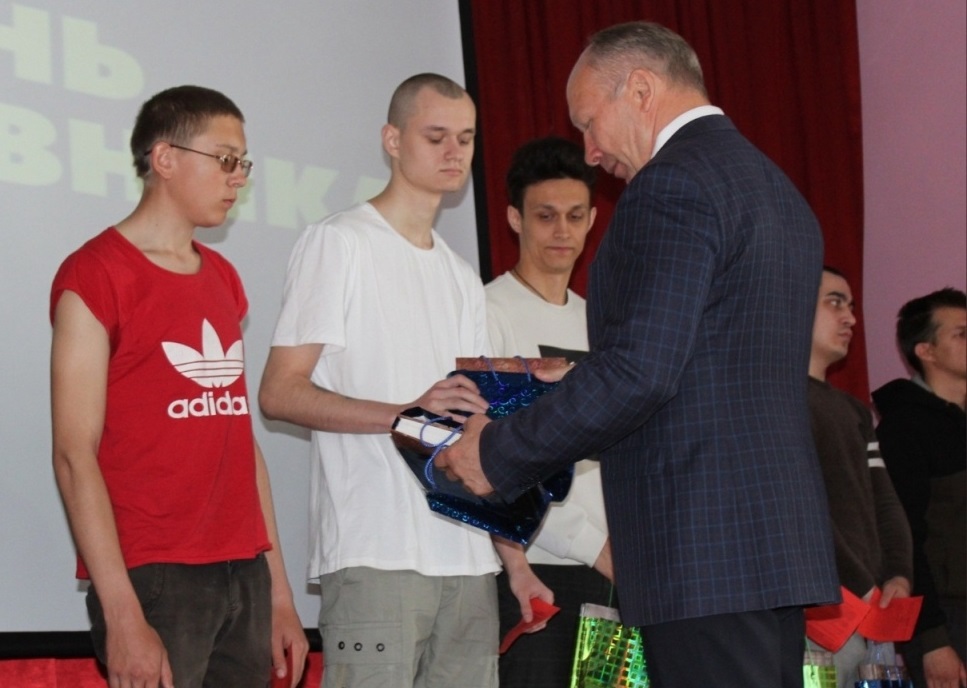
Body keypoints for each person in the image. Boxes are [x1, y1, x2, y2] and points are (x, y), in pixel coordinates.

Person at [437, 21, 840, 688]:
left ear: (642, 90)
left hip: (699, 550)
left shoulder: (670, 186)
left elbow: (640, 373)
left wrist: (498, 453)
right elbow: (703, 362)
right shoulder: (776, 188)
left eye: (589, 122)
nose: (590, 151)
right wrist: (567, 381)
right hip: (769, 548)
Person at [49, 85, 308, 688]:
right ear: (164, 158)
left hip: (244, 571)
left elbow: (238, 439)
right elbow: (73, 453)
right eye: (225, 159)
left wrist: (278, 592)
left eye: (243, 162)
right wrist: (123, 614)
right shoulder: (96, 273)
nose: (238, 176)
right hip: (156, 576)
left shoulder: (223, 276)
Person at [259, 73, 511, 688]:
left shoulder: (460, 274)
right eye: (435, 136)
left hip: (467, 556)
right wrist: (404, 414)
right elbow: (279, 391)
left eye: (466, 138)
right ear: (392, 140)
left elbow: (473, 417)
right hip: (374, 548)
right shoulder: (339, 242)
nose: (454, 152)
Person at [486, 136, 612, 687]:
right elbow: (495, 460)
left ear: (592, 220)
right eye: (545, 215)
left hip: (611, 571)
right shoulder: (487, 313)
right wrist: (596, 548)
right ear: (515, 218)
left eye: (575, 215)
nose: (562, 230)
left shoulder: (600, 322)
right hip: (535, 570)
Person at [806, 267, 913, 687]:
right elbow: (802, 507)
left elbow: (884, 499)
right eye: (834, 302)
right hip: (819, 613)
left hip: (869, 612)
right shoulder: (780, 399)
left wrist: (898, 575)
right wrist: (861, 585)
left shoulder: (853, 410)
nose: (850, 317)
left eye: (851, 305)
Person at [872, 287, 967, 688]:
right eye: (961, 333)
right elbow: (902, 537)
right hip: (949, 619)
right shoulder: (903, 428)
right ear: (926, 351)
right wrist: (932, 640)